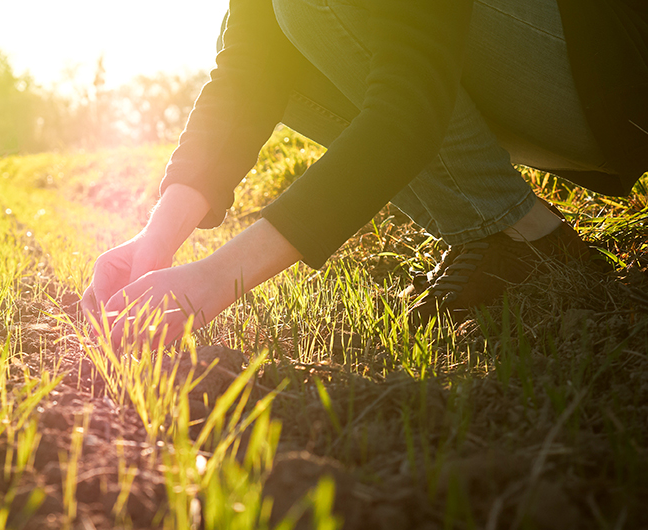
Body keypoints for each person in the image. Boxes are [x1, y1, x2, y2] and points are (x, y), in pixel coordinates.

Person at [82, 0, 648, 345]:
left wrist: (215, 279)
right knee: (281, 40)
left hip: (620, 73)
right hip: (558, 91)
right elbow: (247, 73)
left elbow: (410, 108)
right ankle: (512, 232)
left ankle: (520, 231)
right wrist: (153, 243)